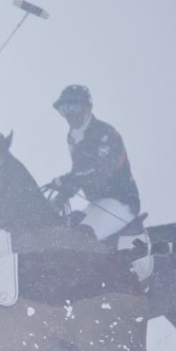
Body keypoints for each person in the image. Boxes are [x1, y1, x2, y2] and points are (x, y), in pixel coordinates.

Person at [47, 85, 141, 242]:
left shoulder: (106, 133)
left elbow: (101, 172)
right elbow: (79, 171)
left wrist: (67, 182)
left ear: (87, 108)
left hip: (120, 202)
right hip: (97, 203)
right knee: (63, 229)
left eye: (74, 107)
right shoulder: (72, 137)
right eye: (65, 109)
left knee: (82, 238)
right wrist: (60, 197)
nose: (69, 114)